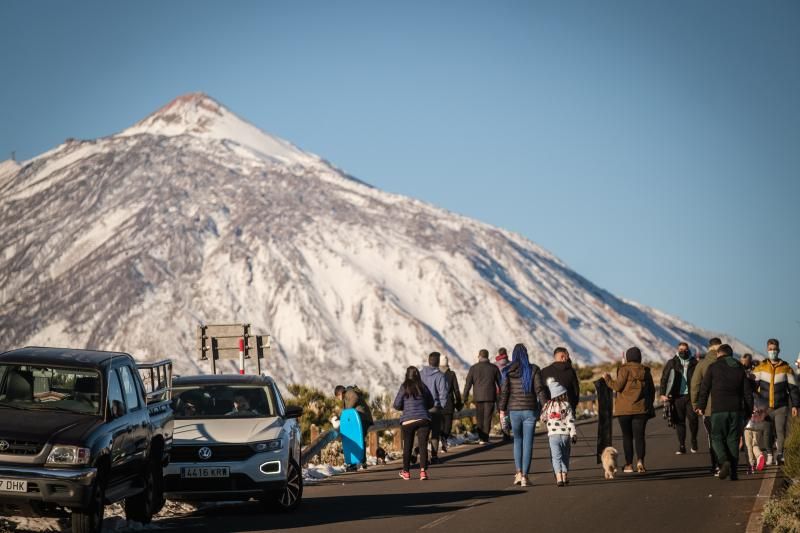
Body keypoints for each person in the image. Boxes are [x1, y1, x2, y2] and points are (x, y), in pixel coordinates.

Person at [696, 343, 754, 481]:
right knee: (733, 440)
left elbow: (704, 388)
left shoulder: (713, 367)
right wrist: (748, 411)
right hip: (736, 410)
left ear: (719, 354)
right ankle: (734, 473)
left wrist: (701, 406)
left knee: (716, 437)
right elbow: (747, 393)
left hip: (718, 409)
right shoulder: (739, 368)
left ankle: (724, 461)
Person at [498, 343, 547, 487]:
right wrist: (546, 406)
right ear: (526, 354)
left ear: (513, 356)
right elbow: (539, 389)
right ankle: (525, 476)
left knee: (517, 441)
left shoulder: (507, 371)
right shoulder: (534, 369)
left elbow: (504, 392)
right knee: (528, 443)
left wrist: (502, 410)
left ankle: (518, 473)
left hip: (514, 411)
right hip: (530, 410)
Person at [603, 347, 655, 473]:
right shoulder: (645, 371)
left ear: (627, 357)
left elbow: (617, 386)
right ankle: (640, 461)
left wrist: (607, 379)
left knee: (627, 437)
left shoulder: (624, 369)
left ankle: (628, 465)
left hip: (624, 410)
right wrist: (647, 404)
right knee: (640, 437)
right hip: (641, 409)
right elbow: (652, 391)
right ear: (639, 357)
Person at [752, 338, 800, 465]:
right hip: (765, 408)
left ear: (779, 350)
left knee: (781, 431)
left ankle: (780, 454)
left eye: (774, 349)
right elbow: (752, 387)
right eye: (770, 349)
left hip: (781, 406)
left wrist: (795, 405)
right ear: (767, 350)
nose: (772, 351)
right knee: (766, 433)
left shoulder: (786, 368)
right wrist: (755, 404)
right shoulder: (760, 367)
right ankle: (769, 453)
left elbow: (793, 388)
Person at [393, 366, 435, 480]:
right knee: (423, 445)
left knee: (407, 446)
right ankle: (423, 472)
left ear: (407, 375)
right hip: (423, 419)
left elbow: (396, 405)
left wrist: (405, 407)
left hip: (408, 420)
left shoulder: (404, 387)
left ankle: (406, 472)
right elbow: (431, 402)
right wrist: (423, 407)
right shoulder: (423, 386)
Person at [691, 337, 723, 475]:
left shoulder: (702, 364)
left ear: (709, 348)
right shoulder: (730, 363)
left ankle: (716, 464)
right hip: (729, 407)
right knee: (727, 436)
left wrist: (695, 405)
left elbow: (695, 386)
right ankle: (727, 464)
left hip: (709, 409)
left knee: (713, 437)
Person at [660, 342, 699, 454]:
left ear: (688, 350)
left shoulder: (694, 362)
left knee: (693, 420)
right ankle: (682, 446)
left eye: (685, 349)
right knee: (679, 422)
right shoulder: (672, 362)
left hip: (691, 396)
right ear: (678, 350)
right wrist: (663, 393)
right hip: (677, 397)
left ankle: (694, 439)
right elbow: (665, 378)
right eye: (681, 349)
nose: (683, 351)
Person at [541, 378, 577, 487]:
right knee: (565, 456)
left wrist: (548, 419)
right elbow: (570, 421)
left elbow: (542, 418)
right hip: (566, 435)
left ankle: (559, 478)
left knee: (556, 457)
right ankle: (565, 476)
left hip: (553, 436)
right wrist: (573, 434)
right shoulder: (567, 405)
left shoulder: (547, 406)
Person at [463, 349, 502, 444]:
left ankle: (481, 438)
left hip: (478, 397)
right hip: (490, 396)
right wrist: (501, 397)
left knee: (479, 417)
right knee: (487, 417)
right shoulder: (494, 368)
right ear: (487, 356)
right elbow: (500, 383)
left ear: (479, 356)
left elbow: (468, 383)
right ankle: (485, 437)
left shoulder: (473, 368)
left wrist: (465, 396)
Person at [334, 384, 374, 471]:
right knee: (359, 440)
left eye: (337, 396)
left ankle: (355, 464)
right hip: (361, 419)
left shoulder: (349, 392)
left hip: (362, 418)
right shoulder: (347, 396)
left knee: (357, 440)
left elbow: (355, 398)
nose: (338, 398)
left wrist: (346, 412)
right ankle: (361, 462)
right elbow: (347, 412)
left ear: (340, 393)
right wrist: (341, 416)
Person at [420, 351, 448, 463]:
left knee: (422, 433)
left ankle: (418, 453)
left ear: (429, 361)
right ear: (438, 363)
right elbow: (443, 394)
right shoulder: (440, 376)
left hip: (421, 408)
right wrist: (441, 406)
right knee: (434, 433)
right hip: (435, 408)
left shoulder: (420, 374)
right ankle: (434, 456)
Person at [541, 347, 580, 412]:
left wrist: (546, 406)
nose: (568, 359)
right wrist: (573, 406)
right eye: (567, 356)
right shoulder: (570, 371)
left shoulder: (544, 372)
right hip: (569, 408)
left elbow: (542, 391)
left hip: (552, 410)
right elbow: (576, 390)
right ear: (563, 357)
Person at [439, 355, 463, 453]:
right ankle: (444, 440)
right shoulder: (452, 374)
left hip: (438, 404)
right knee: (448, 426)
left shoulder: (436, 374)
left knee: (440, 425)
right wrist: (458, 403)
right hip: (449, 403)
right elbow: (456, 390)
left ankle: (442, 440)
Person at [743, 398, 770, 474]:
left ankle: (751, 465)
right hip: (758, 425)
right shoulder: (759, 399)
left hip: (747, 426)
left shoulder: (745, 398)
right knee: (755, 444)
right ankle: (759, 455)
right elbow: (765, 411)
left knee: (749, 446)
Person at [495, 348, 511, 441]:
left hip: (499, 392)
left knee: (502, 412)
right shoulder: (512, 364)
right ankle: (509, 426)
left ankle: (505, 431)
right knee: (509, 411)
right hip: (510, 391)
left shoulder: (494, 366)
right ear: (506, 354)